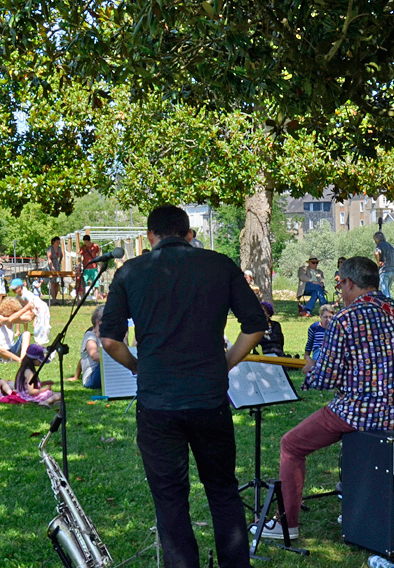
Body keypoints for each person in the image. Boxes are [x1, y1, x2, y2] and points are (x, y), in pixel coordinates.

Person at [100, 204, 266, 567]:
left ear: (150, 236)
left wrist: (139, 368)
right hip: (209, 398)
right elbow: (255, 324)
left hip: (158, 402)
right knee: (223, 491)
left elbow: (110, 341)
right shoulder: (219, 264)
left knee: (170, 499)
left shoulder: (130, 271)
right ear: (187, 233)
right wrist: (225, 362)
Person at [265, 257, 394, 541]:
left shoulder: (345, 319)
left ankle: (286, 525)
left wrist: (312, 370)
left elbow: (325, 380)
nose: (339, 290)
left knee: (291, 444)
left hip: (357, 412)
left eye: (340, 283)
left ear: (350, 283)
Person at [0, 296, 33, 363]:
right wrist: (26, 308)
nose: (17, 313)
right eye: (15, 312)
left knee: (26, 333)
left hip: (11, 351)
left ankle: (23, 358)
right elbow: (9, 320)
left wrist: (35, 309)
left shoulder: (13, 320)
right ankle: (19, 360)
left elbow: (28, 318)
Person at [71, 305, 104, 388]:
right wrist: (117, 358)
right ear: (98, 322)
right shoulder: (90, 336)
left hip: (103, 375)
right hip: (91, 378)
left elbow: (82, 359)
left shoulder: (107, 337)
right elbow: (94, 356)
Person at [10, 277, 51, 344]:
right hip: (33, 309)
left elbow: (34, 304)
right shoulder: (18, 296)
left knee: (41, 325)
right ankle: (21, 332)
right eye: (12, 289)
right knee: (19, 315)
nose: (13, 290)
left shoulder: (26, 294)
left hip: (40, 308)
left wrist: (34, 317)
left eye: (15, 289)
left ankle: (40, 340)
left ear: (20, 287)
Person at [373, 231, 394, 298]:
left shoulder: (379, 245)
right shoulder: (391, 246)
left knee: (385, 294)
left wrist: (378, 262)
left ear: (376, 239)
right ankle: (389, 305)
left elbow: (376, 253)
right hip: (392, 271)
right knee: (388, 291)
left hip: (384, 271)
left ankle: (388, 306)